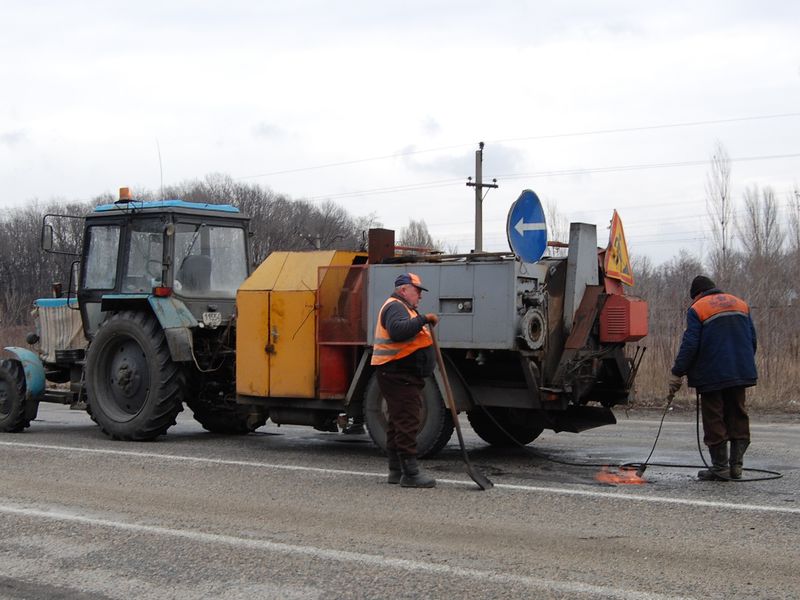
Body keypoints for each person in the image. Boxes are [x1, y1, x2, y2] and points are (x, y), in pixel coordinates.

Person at [669, 275, 758, 480]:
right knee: (738, 413)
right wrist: (741, 364)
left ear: (697, 294)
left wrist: (677, 371)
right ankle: (736, 467)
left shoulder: (698, 308)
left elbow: (690, 344)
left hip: (711, 374)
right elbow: (752, 339)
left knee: (714, 418)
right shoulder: (741, 304)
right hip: (740, 370)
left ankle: (720, 468)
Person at [370, 272, 439, 488]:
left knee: (397, 422)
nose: (419, 296)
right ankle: (410, 473)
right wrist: (423, 319)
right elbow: (398, 331)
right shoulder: (395, 306)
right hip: (397, 374)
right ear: (403, 290)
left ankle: (395, 470)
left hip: (399, 374)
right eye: (417, 291)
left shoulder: (404, 308)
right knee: (408, 420)